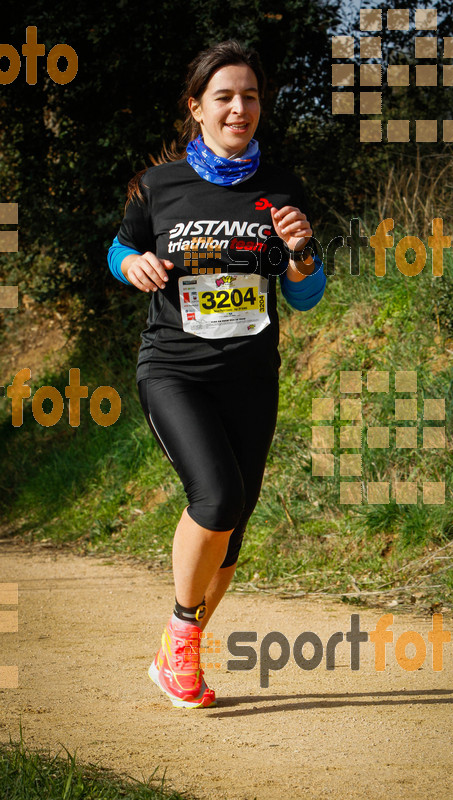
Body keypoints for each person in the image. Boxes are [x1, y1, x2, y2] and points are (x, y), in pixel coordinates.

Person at [107, 39, 326, 708]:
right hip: (174, 369)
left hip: (251, 375)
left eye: (250, 96)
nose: (239, 107)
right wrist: (131, 265)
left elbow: (304, 293)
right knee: (216, 498)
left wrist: (299, 253)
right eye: (225, 96)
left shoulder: (281, 187)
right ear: (196, 107)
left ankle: (180, 657)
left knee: (235, 520)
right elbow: (123, 247)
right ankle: (180, 635)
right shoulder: (160, 185)